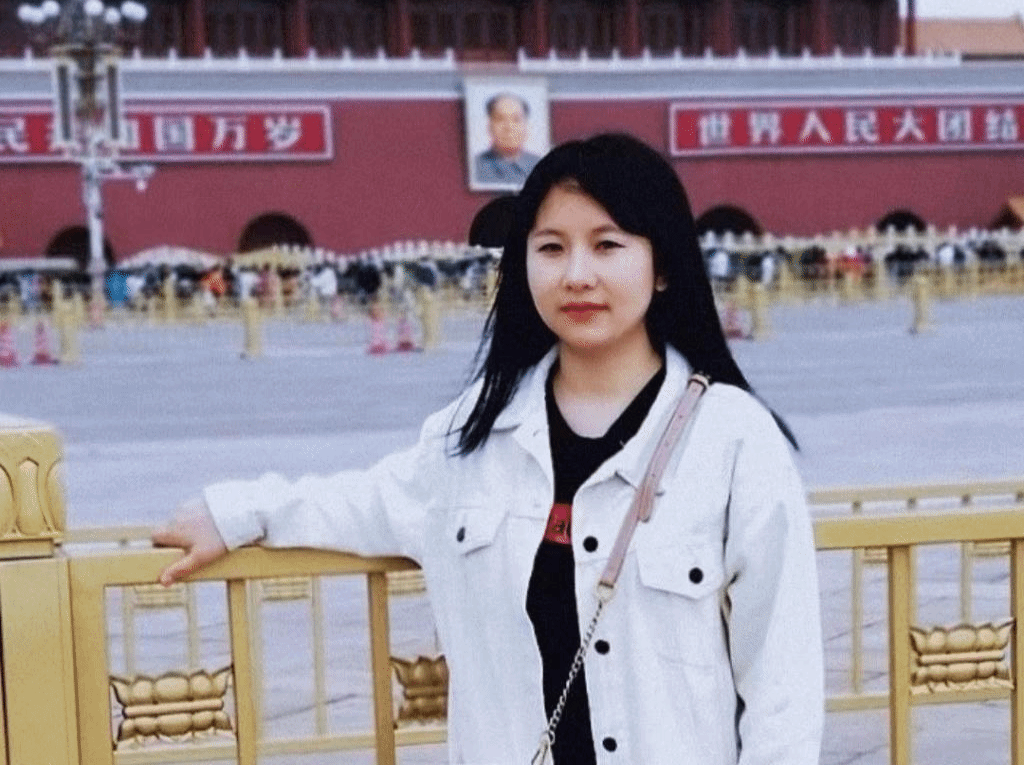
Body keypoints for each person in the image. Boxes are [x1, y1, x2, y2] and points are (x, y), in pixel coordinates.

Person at [154, 132, 823, 765]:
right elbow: (365, 502)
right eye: (551, 247)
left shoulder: (733, 441)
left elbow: (782, 685)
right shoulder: (471, 437)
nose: (577, 275)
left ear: (665, 266)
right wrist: (235, 514)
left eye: (607, 245)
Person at [473, 92, 541, 186]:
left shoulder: (541, 166)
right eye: (500, 119)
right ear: (489, 126)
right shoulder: (475, 167)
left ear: (526, 126)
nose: (508, 127)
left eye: (516, 120)